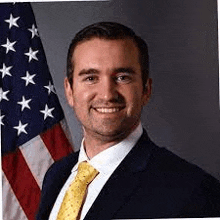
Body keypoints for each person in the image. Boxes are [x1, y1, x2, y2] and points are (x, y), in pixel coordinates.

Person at [36, 22, 220, 220]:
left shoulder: (192, 191)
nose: (107, 95)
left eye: (123, 77)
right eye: (90, 78)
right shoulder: (57, 174)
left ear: (145, 90)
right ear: (69, 90)